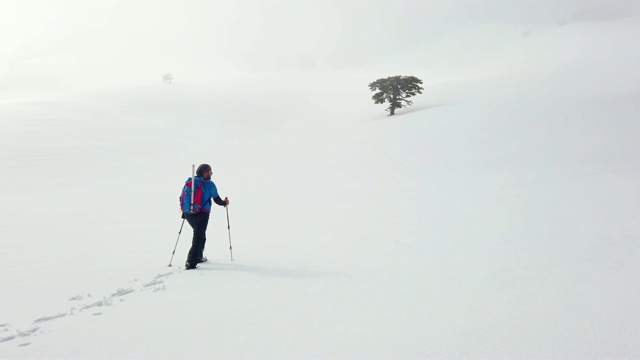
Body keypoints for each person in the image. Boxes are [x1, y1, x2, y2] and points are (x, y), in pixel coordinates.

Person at [182, 163, 229, 270]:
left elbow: (182, 197)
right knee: (198, 237)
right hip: (202, 213)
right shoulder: (209, 184)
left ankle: (199, 256)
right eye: (210, 171)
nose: (212, 173)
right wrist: (225, 203)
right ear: (205, 173)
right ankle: (191, 262)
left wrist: (186, 211)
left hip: (188, 213)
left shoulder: (190, 182)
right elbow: (217, 200)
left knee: (200, 234)